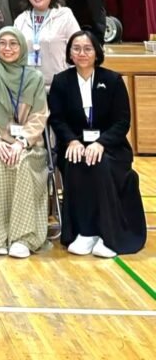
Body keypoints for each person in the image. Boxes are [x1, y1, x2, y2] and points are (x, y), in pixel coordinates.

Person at [48, 31, 146, 257]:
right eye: (76, 48)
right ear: (69, 53)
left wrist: (101, 143)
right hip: (74, 146)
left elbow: (122, 121)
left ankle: (107, 234)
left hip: (110, 148)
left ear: (96, 52)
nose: (82, 53)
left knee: (100, 165)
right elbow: (57, 119)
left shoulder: (112, 80)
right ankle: (84, 232)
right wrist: (72, 140)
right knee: (76, 164)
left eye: (87, 48)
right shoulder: (61, 81)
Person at [0, 27, 49, 258]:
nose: (7, 48)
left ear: (22, 48)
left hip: (28, 143)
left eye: (13, 44)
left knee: (23, 164)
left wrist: (21, 142)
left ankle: (23, 237)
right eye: (2, 43)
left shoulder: (34, 77)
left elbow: (39, 115)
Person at [13, 0, 80, 89]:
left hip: (60, 86)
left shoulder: (65, 15)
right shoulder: (21, 19)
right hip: (28, 87)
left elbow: (78, 47)